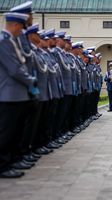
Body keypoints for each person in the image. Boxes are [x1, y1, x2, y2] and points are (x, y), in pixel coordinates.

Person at [0, 11, 37, 178]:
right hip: (8, 94)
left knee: (15, 130)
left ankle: (13, 160)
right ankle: (3, 165)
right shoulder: (4, 42)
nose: (22, 31)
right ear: (14, 25)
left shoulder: (12, 42)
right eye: (21, 27)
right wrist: (31, 81)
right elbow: (15, 69)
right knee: (7, 132)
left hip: (17, 93)